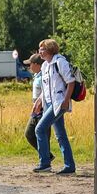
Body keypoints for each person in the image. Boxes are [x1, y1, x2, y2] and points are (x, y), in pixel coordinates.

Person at [33, 38, 77, 176]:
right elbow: (46, 88)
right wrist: (39, 101)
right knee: (60, 135)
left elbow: (71, 82)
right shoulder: (45, 65)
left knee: (39, 129)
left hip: (58, 103)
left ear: (50, 50)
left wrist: (66, 100)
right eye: (40, 49)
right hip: (48, 103)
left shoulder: (60, 62)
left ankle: (45, 163)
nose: (40, 51)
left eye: (43, 49)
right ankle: (69, 166)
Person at [25, 53, 44, 151]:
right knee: (29, 134)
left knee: (40, 134)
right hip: (35, 109)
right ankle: (46, 156)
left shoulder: (43, 76)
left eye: (30, 64)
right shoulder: (37, 76)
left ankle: (45, 159)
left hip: (42, 109)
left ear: (36, 64)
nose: (29, 66)